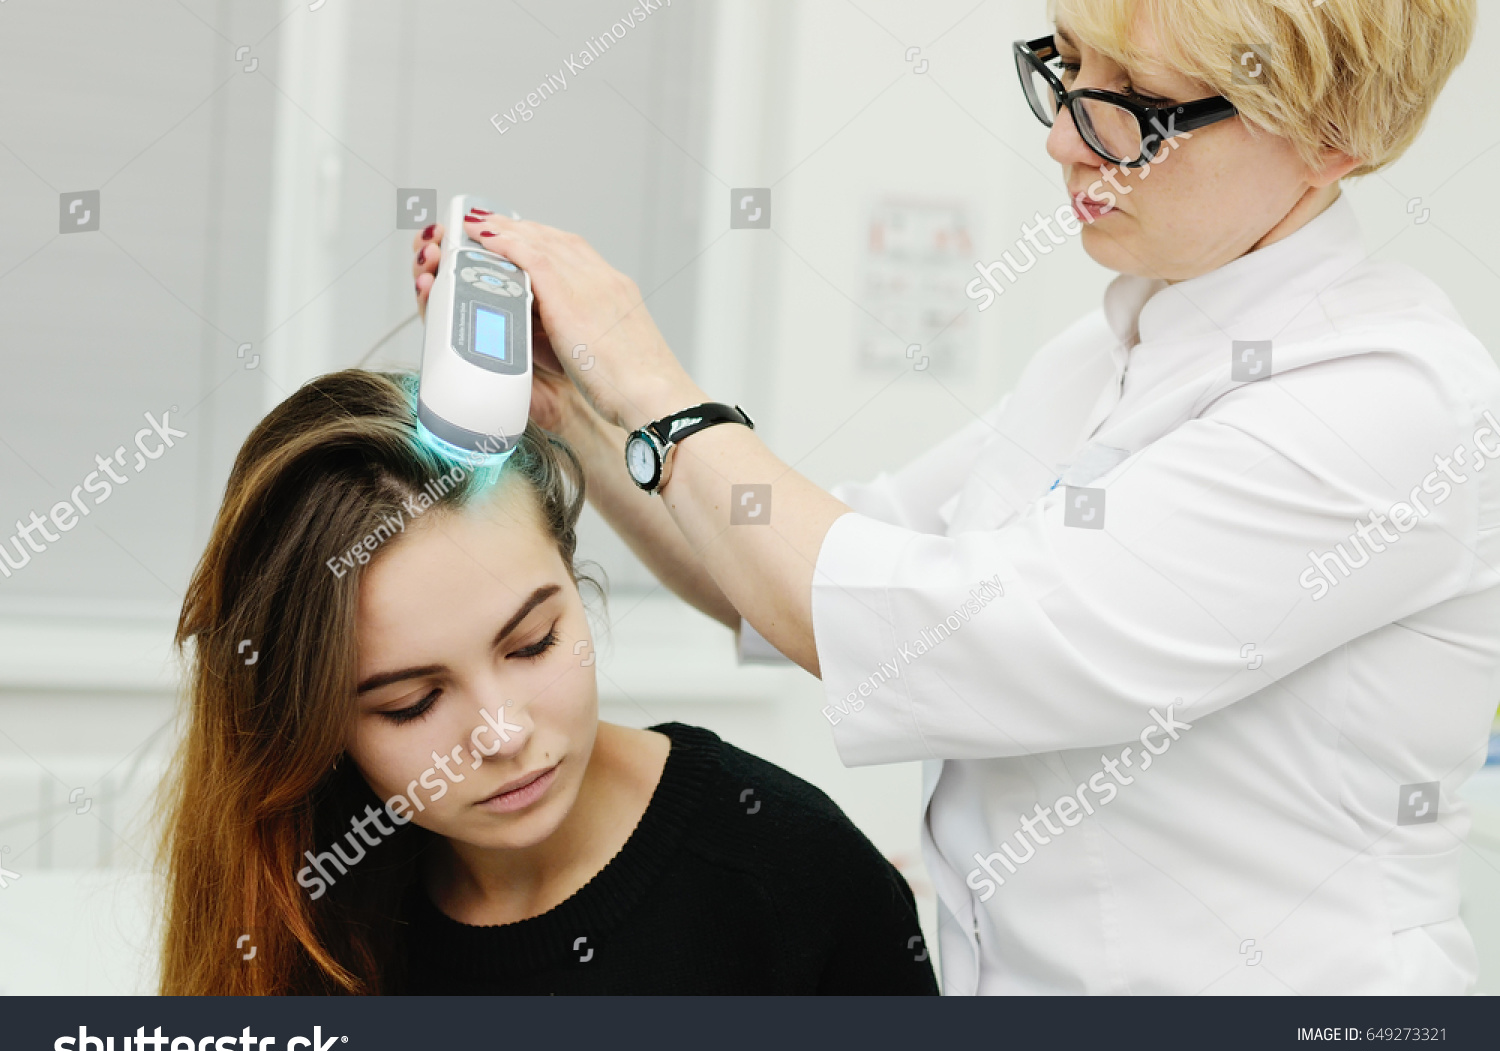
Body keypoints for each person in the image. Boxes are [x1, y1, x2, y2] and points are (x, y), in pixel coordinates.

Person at [416, 0, 1496, 993]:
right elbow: (793, 572)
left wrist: (650, 378)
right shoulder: (1106, 351)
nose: (1066, 139)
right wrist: (584, 418)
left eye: (1141, 108)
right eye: (1067, 68)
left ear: (1330, 136)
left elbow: (931, 631)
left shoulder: (1391, 402)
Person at [155, 368, 936, 995]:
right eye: (412, 703)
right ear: (313, 727)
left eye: (532, 646)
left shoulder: (788, 873)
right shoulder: (308, 899)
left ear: (574, 580)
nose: (504, 734)